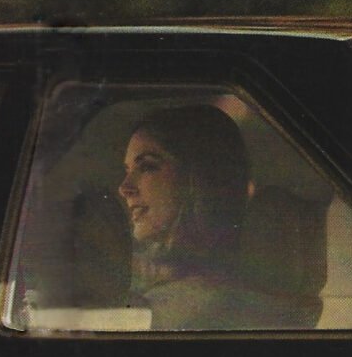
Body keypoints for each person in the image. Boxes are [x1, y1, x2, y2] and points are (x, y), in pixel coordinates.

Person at [116, 104, 304, 330]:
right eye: (127, 170)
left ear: (199, 178)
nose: (124, 188)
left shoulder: (179, 310)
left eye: (147, 166)